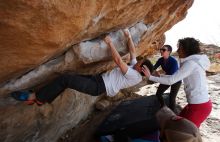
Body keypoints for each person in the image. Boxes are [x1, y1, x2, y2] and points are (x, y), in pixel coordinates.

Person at [11, 29, 154, 105]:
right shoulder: (136, 68)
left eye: (140, 63)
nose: (137, 61)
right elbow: (133, 52)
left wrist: (109, 43)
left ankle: (35, 97)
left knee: (65, 79)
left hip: (98, 87)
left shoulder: (134, 75)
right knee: (67, 80)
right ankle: (42, 99)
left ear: (141, 69)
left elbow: (118, 60)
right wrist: (128, 36)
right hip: (98, 79)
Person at [142, 37, 212, 128]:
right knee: (177, 126)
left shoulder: (190, 64)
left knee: (184, 132)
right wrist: (160, 76)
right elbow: (172, 77)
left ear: (185, 49)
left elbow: (172, 80)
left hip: (199, 107)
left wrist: (150, 77)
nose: (178, 51)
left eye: (180, 48)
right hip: (197, 104)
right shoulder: (192, 62)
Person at [153, 45, 182, 111]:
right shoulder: (160, 60)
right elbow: (153, 68)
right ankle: (163, 106)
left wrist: (160, 75)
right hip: (167, 78)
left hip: (176, 80)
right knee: (158, 94)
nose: (161, 51)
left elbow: (171, 75)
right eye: (161, 49)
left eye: (163, 50)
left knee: (172, 98)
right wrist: (154, 71)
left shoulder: (173, 61)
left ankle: (173, 113)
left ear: (169, 52)